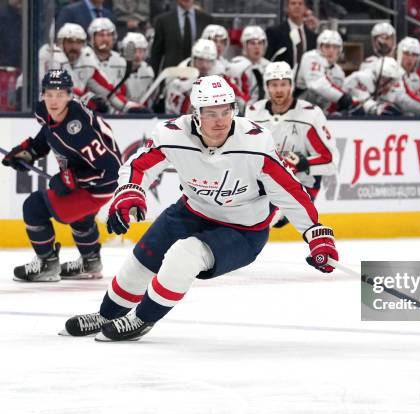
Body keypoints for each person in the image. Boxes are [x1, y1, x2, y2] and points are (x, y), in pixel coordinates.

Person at [61, 75, 339, 341]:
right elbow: (138, 165)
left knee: (186, 255)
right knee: (143, 257)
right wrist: (129, 194)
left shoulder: (256, 142)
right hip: (191, 212)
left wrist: (316, 233)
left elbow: (290, 190)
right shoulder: (172, 134)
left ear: (235, 109)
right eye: (210, 113)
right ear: (196, 113)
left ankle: (143, 318)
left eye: (226, 111)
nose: (220, 121)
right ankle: (106, 314)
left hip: (244, 230)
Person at [1, 70, 121, 282]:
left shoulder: (79, 128)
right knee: (80, 218)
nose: (54, 100)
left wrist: (71, 179)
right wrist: (28, 152)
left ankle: (47, 264)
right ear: (42, 95)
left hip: (99, 186)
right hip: (86, 180)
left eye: (60, 94)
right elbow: (48, 134)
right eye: (49, 94)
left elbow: (111, 170)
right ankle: (90, 261)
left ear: (69, 95)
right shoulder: (46, 112)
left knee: (34, 207)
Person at [246, 62, 338, 228]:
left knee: (271, 216)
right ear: (267, 87)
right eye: (274, 85)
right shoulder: (253, 112)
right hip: (265, 183)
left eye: (283, 84)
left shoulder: (310, 115)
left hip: (301, 185)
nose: (279, 90)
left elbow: (330, 160)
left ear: (291, 85)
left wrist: (304, 163)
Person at [38, 22, 144, 114]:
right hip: (44, 111)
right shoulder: (50, 57)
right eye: (70, 42)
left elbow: (109, 92)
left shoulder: (87, 59)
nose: (74, 47)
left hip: (71, 114)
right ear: (61, 43)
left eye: (78, 42)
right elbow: (58, 90)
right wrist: (89, 99)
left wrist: (129, 106)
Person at [345, 57, 420, 116]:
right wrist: (377, 109)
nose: (390, 85)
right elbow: (363, 102)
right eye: (386, 79)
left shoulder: (392, 85)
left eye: (392, 80)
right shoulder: (360, 78)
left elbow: (406, 100)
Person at [295, 29, 352, 114]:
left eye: (335, 47)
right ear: (319, 47)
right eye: (327, 46)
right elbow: (316, 84)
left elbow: (337, 100)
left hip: (323, 114)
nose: (331, 50)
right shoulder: (310, 57)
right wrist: (341, 97)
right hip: (300, 111)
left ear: (340, 50)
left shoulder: (339, 72)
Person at [149, 0, 213, 74]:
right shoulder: (163, 20)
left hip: (199, 75)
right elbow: (156, 54)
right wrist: (154, 77)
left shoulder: (206, 19)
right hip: (172, 74)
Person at [265, 0, 318, 68]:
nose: (297, 6)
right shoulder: (274, 33)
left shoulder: (312, 36)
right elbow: (268, 59)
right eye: (293, 3)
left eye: (300, 4)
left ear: (305, 8)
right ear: (286, 8)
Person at [228, 25, 270, 107]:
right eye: (252, 43)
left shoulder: (270, 66)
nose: (257, 47)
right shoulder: (235, 67)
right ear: (244, 45)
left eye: (260, 43)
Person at [87, 18, 128, 88]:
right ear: (92, 38)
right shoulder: (85, 60)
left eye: (109, 35)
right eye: (101, 35)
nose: (105, 39)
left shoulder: (121, 61)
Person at [121, 32, 155, 105]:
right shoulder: (118, 69)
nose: (137, 55)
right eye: (134, 51)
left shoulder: (148, 71)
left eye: (140, 51)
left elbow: (151, 98)